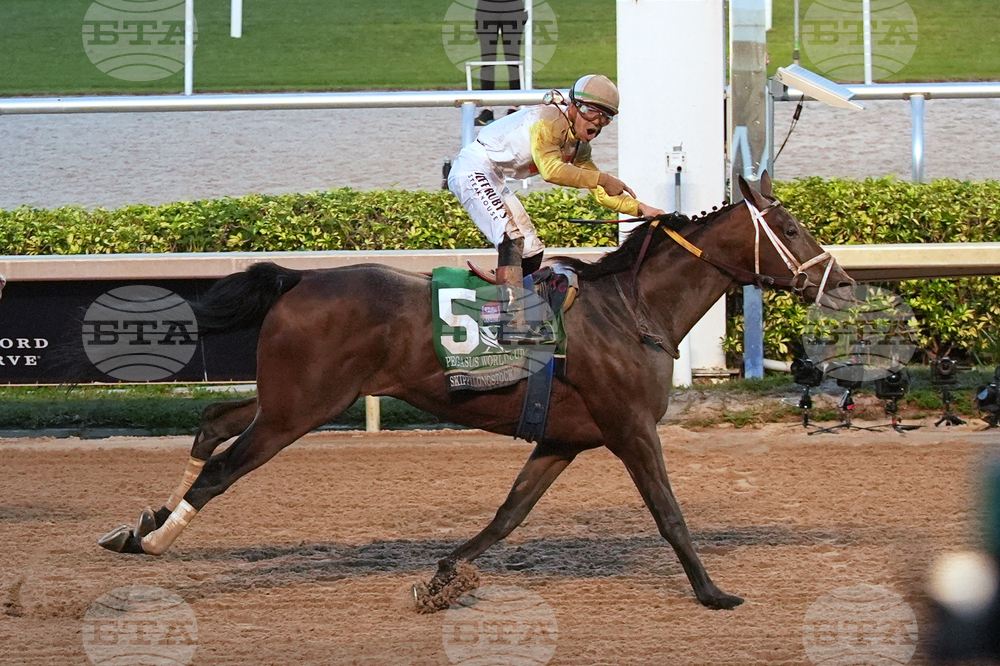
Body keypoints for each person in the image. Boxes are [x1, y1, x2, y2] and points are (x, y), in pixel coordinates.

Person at [447, 74, 666, 342]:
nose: (597, 122)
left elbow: (599, 191)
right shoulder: (549, 122)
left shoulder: (579, 146)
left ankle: (517, 310)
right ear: (573, 106)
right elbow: (551, 171)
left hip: (494, 177)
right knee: (512, 238)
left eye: (606, 117)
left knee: (532, 249)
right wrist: (603, 178)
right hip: (472, 170)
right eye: (591, 112)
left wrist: (641, 208)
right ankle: (510, 324)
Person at [474, 0, 527, 125]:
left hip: (513, 6)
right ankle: (487, 107)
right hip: (486, 6)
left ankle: (514, 106)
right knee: (487, 58)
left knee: (513, 57)